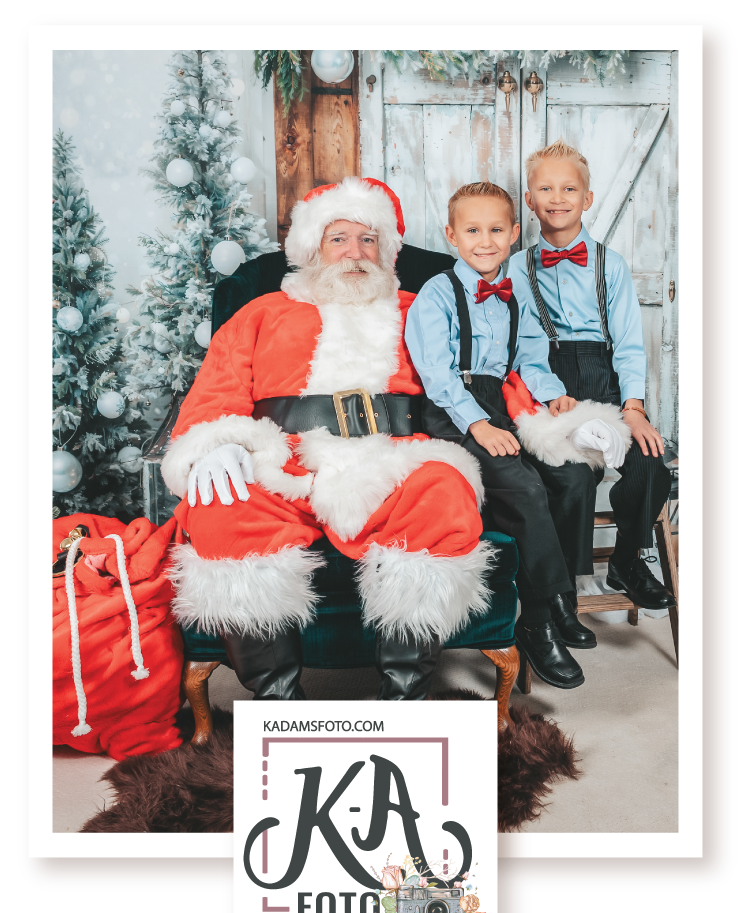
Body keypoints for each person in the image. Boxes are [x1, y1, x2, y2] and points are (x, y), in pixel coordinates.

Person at [161, 177, 494, 701]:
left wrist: (553, 419)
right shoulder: (260, 313)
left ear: (386, 250)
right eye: (339, 238)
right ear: (312, 248)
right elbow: (215, 393)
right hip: (284, 463)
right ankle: (278, 706)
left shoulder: (423, 309)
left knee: (443, 489)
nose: (355, 253)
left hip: (393, 459)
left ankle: (404, 697)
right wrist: (215, 441)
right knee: (221, 506)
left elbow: (488, 372)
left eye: (368, 239)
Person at [405, 181, 631, 690]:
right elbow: (437, 375)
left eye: (495, 230)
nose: (484, 241)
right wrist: (478, 425)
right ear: (452, 235)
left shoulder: (516, 294)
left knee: (572, 475)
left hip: (502, 405)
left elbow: (530, 358)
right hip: (453, 413)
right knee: (524, 486)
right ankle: (537, 621)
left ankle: (563, 597)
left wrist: (553, 396)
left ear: (513, 233)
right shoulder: (438, 293)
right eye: (472, 231)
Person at [508, 140, 675, 610]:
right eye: (546, 188)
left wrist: (633, 408)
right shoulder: (516, 268)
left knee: (650, 465)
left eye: (569, 188)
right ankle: (560, 588)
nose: (557, 198)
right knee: (572, 478)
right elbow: (525, 346)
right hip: (548, 382)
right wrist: (550, 393)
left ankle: (627, 562)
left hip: (606, 379)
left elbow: (629, 344)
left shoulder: (610, 264)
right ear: (530, 200)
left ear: (587, 198)